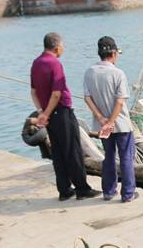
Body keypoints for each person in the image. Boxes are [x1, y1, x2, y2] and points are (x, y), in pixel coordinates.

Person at [30, 32, 99, 201]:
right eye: (63, 46)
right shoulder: (55, 64)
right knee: (73, 151)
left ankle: (64, 190)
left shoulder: (36, 63)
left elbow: (33, 92)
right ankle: (82, 189)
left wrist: (41, 112)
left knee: (58, 153)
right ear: (57, 47)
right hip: (61, 113)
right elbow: (56, 93)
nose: (63, 49)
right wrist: (46, 113)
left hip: (49, 114)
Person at [84, 36, 138, 203]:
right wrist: (111, 121)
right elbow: (120, 101)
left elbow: (87, 98)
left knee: (108, 156)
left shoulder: (90, 72)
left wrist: (101, 118)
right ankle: (128, 193)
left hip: (101, 124)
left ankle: (108, 191)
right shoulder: (118, 73)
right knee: (126, 157)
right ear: (114, 53)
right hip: (120, 123)